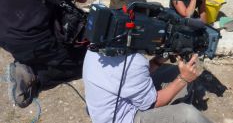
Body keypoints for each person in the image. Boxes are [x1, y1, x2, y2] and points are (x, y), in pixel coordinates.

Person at [83, 51, 213, 123]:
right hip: (123, 119)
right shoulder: (135, 60)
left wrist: (158, 60)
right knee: (188, 114)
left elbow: (126, 76)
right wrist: (183, 78)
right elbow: (153, 103)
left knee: (172, 72)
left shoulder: (95, 47)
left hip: (103, 110)